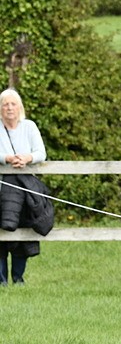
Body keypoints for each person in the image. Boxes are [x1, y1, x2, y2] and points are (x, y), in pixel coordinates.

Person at [0, 88, 49, 286]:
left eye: (13, 104)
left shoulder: (29, 126)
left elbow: (40, 153)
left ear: (19, 107)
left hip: (25, 190)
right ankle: (1, 282)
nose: (9, 108)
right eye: (5, 104)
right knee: (1, 233)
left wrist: (27, 158)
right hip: (2, 191)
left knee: (24, 232)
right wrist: (6, 159)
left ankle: (18, 279)